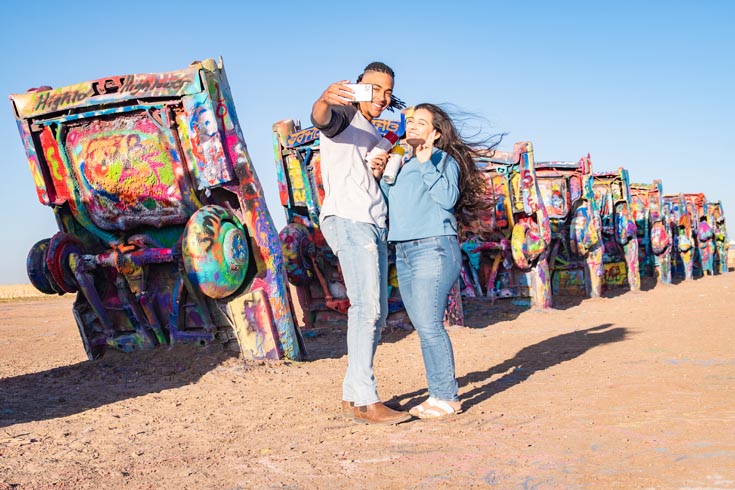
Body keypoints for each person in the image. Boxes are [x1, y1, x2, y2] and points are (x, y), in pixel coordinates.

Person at [379, 103, 498, 419]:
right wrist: (380, 175)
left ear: (435, 132)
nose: (412, 125)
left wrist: (425, 161)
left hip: (434, 247)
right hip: (403, 251)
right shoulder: (401, 164)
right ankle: (437, 395)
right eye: (410, 121)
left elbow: (446, 199)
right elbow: (391, 205)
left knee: (430, 325)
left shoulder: (443, 160)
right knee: (423, 325)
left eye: (421, 122)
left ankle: (447, 397)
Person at [310, 62, 410, 425]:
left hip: (371, 220)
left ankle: (353, 396)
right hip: (350, 218)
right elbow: (322, 117)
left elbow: (371, 166)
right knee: (367, 309)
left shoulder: (370, 130)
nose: (381, 98)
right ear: (357, 87)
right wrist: (323, 98)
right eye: (374, 88)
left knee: (375, 312)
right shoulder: (344, 115)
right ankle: (368, 401)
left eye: (387, 91)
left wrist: (388, 152)